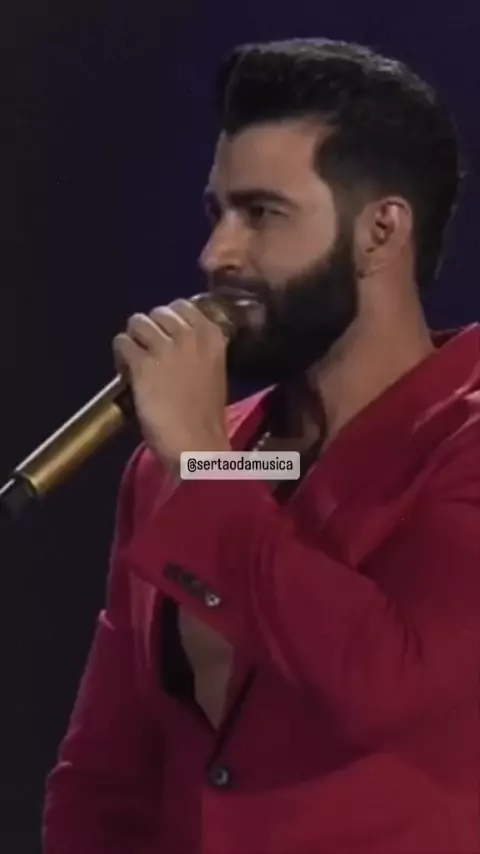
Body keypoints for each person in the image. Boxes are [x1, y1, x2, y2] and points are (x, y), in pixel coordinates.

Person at [42, 38, 480, 854]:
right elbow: (105, 773)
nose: (217, 255)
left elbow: (389, 682)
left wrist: (201, 463)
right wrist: (202, 459)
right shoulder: (180, 463)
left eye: (263, 213)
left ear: (380, 231)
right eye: (217, 213)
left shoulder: (463, 438)